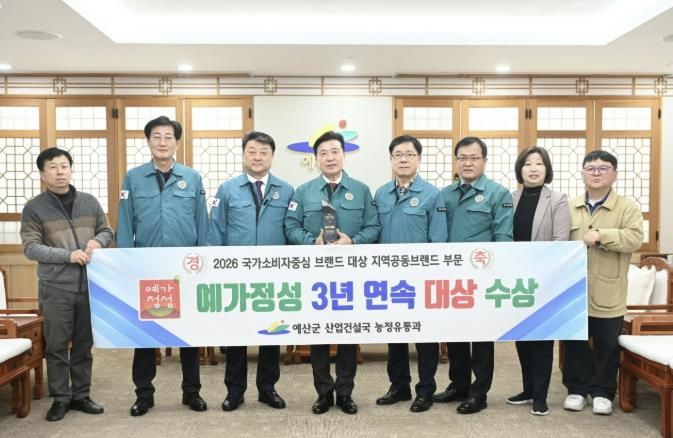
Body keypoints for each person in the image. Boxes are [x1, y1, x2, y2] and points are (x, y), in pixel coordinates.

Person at [117, 116, 208, 416]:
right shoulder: (133, 178)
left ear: (177, 142)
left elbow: (202, 222)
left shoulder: (192, 178)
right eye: (156, 136)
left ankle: (192, 392)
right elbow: (125, 222)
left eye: (169, 137)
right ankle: (144, 394)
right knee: (145, 333)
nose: (162, 142)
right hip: (148, 267)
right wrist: (126, 262)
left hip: (185, 269)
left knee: (189, 333)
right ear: (148, 141)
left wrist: (203, 263)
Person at [285, 131, 380, 415]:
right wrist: (310, 242)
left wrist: (353, 241)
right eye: (323, 153)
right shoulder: (303, 191)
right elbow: (290, 226)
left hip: (351, 274)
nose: (329, 157)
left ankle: (345, 393)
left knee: (349, 334)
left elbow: (374, 227)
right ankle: (324, 393)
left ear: (344, 155)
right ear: (316, 159)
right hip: (315, 274)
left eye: (335, 151)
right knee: (319, 334)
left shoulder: (361, 190)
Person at [20, 147, 113, 421]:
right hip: (55, 288)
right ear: (42, 174)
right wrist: (67, 256)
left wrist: (99, 241)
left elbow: (107, 230)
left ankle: (81, 395)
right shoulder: (34, 208)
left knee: (84, 344)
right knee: (57, 345)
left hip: (89, 286)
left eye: (64, 166)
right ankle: (60, 397)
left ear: (71, 169)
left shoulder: (89, 202)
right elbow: (31, 248)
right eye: (52, 167)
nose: (59, 172)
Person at [207, 131, 293, 412]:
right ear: (244, 155)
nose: (257, 157)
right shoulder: (228, 189)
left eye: (263, 152)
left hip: (273, 276)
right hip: (236, 276)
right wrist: (215, 270)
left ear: (272, 157)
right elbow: (216, 231)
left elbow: (291, 232)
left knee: (271, 333)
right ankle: (235, 391)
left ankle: (268, 389)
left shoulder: (286, 190)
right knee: (236, 335)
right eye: (252, 152)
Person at [434, 136, 513, 414]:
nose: (468, 163)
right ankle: (459, 385)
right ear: (456, 161)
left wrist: (496, 272)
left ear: (484, 161)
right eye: (463, 158)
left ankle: (479, 393)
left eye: (474, 158)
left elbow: (503, 236)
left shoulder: (498, 193)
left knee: (481, 337)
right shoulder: (444, 194)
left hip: (482, 277)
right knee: (454, 333)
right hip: (451, 276)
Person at [562, 150, 643, 415]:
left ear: (614, 174)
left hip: (609, 290)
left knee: (607, 345)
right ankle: (577, 389)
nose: (596, 173)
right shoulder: (569, 206)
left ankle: (603, 392)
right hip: (574, 290)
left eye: (603, 168)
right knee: (575, 342)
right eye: (591, 168)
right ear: (583, 173)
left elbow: (634, 239)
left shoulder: (627, 207)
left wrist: (601, 235)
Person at [373, 135, 447, 413]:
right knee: (395, 335)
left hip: (421, 279)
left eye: (409, 154)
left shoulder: (432, 194)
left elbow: (438, 240)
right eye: (398, 155)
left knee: (425, 337)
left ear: (418, 159)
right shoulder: (381, 193)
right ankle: (399, 386)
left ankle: (425, 389)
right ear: (391, 159)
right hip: (389, 279)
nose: (403, 159)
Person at [506, 146, 570, 416]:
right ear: (520, 169)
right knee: (522, 336)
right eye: (528, 163)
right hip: (516, 280)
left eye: (539, 164)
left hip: (545, 279)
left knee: (542, 338)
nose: (533, 168)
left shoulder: (558, 200)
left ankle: (541, 396)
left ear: (547, 169)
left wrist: (542, 271)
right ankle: (528, 389)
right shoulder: (510, 198)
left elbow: (560, 242)